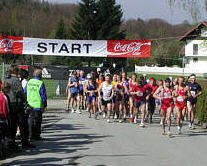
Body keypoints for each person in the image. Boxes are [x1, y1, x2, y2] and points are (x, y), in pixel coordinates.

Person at [5, 65, 34, 149]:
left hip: (8, 103)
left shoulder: (6, 79)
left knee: (12, 125)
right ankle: (25, 143)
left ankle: (11, 143)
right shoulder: (15, 80)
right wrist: (25, 101)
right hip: (17, 104)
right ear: (16, 71)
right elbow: (20, 92)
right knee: (22, 124)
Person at [26, 68, 47, 140]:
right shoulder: (40, 83)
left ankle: (30, 135)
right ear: (40, 75)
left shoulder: (29, 82)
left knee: (30, 120)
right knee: (38, 121)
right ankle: (37, 135)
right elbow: (43, 95)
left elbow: (25, 91)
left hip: (29, 104)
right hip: (38, 104)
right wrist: (45, 105)